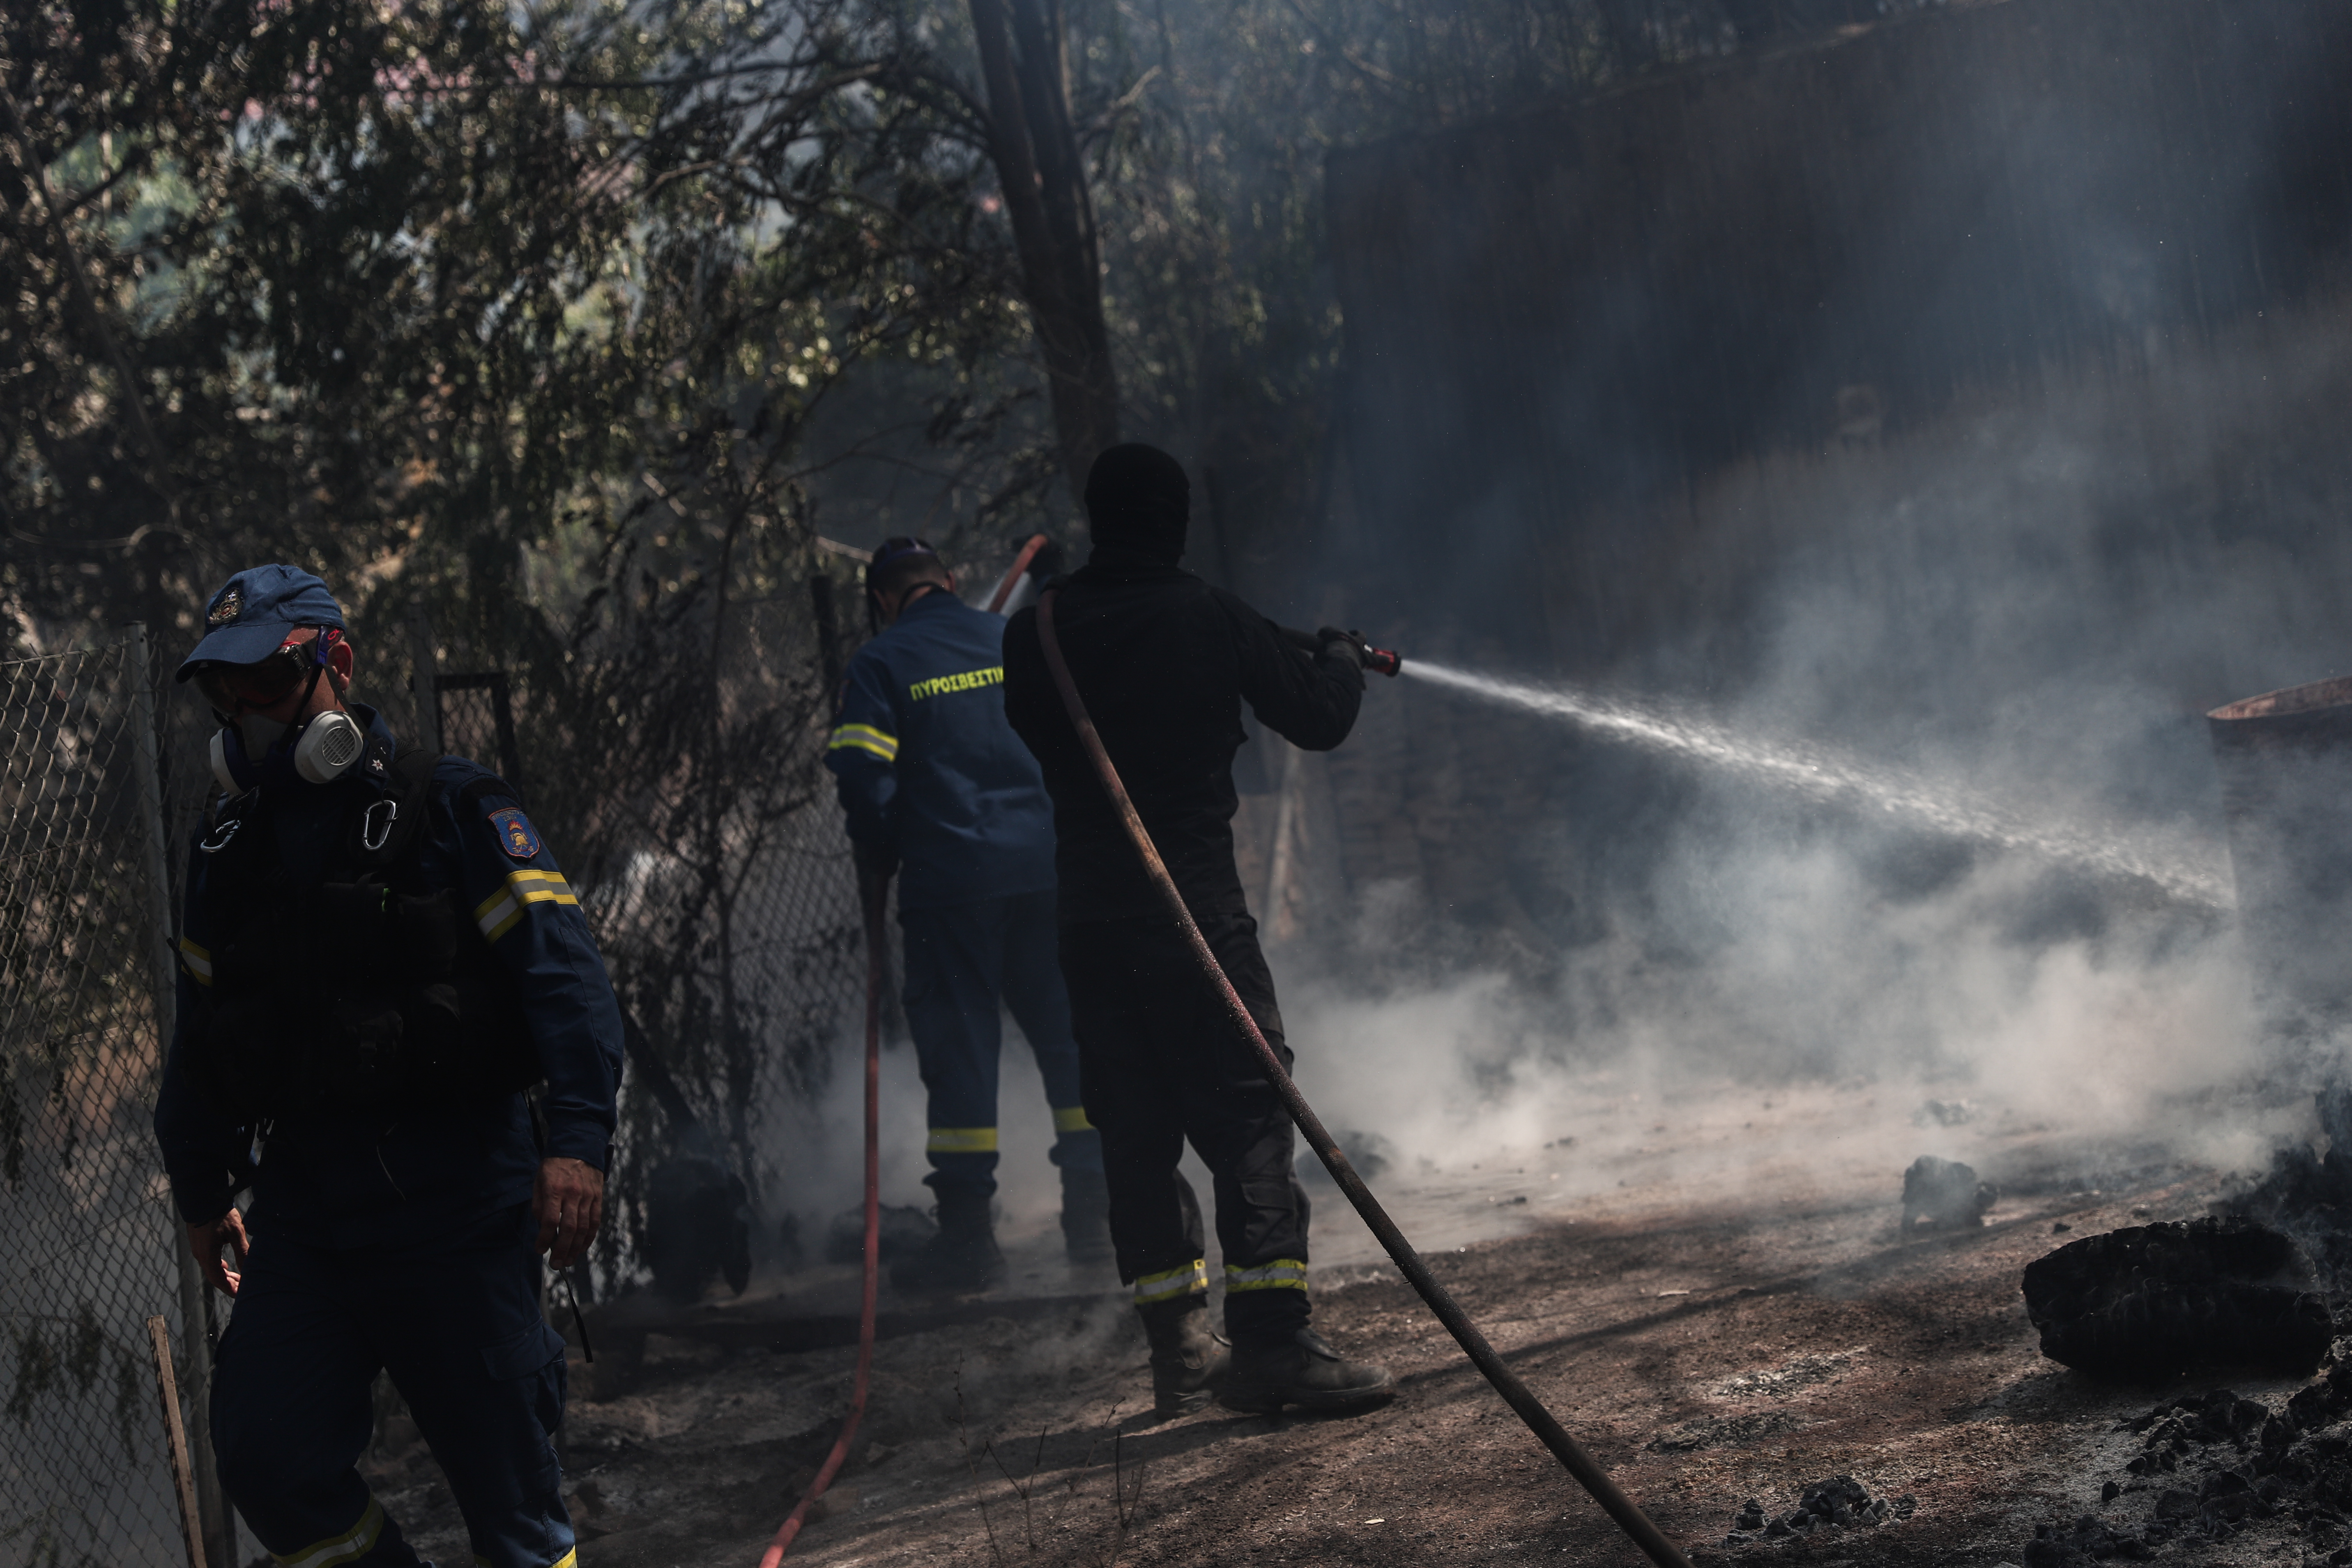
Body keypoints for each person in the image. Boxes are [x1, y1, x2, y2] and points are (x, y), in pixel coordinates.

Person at [152, 564, 622, 1568]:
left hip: (458, 1206)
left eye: (268, 682)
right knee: (266, 1455)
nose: (246, 710)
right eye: (224, 690)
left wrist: (577, 1144)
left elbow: (566, 981)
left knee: (514, 1511)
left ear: (337, 664)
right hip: (307, 1221)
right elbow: (203, 1032)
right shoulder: (223, 847)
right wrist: (201, 1187)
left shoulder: (451, 809)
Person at [1000, 443, 1396, 1419]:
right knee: (1251, 1113)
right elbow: (1317, 719)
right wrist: (1340, 659)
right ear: (1175, 523)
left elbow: (1045, 733)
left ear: (1098, 519)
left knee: (1133, 1134)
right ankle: (1269, 1343)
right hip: (1194, 917)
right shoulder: (1208, 615)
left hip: (1090, 925)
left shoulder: (1036, 629)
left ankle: (1179, 1351)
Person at [825, 537, 1109, 1292]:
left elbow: (859, 768)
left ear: (879, 600)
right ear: (950, 582)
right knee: (1070, 1043)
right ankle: (1094, 1221)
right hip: (1048, 871)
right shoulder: (1008, 637)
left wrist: (883, 844)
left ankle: (969, 1241)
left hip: (952, 884)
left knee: (961, 1053)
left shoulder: (881, 663)